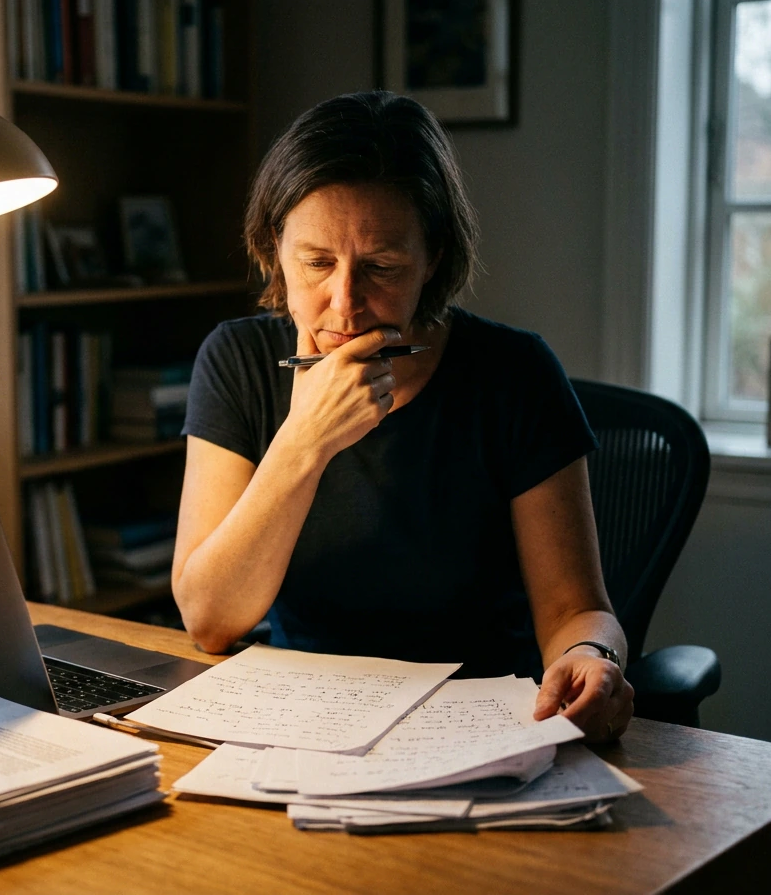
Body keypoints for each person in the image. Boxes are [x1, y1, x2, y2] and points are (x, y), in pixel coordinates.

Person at [171, 91, 634, 743]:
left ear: (433, 259)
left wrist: (595, 657)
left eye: (382, 267)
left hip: (477, 724)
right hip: (297, 721)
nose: (345, 303)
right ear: (274, 246)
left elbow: (577, 611)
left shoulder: (516, 374)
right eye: (316, 262)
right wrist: (305, 440)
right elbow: (209, 619)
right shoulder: (238, 360)